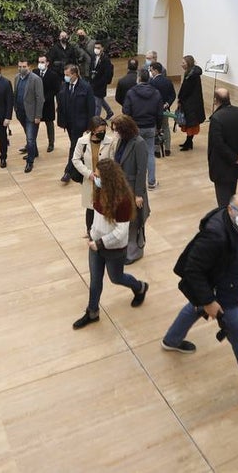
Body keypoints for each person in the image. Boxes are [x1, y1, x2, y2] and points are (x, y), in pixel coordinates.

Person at [162, 194, 238, 402]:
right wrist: (209, 301)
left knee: (195, 307)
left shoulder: (236, 226)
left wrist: (204, 301)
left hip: (222, 283)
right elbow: (193, 270)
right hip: (222, 292)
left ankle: (171, 340)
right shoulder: (215, 235)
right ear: (230, 210)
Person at [72, 159, 150, 329]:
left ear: (108, 178)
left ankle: (140, 287)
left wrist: (99, 243)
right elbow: (98, 217)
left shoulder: (123, 201)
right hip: (96, 244)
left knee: (116, 278)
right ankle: (92, 312)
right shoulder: (100, 191)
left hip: (113, 249)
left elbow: (121, 233)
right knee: (95, 281)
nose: (95, 177)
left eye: (98, 176)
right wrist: (92, 233)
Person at [107, 114, 151, 263]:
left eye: (117, 130)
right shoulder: (121, 141)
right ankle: (124, 248)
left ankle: (134, 252)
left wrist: (139, 194)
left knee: (133, 222)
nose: (115, 133)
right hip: (121, 187)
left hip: (132, 188)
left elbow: (141, 170)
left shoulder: (139, 143)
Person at [207, 87, 238, 208]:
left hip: (222, 164)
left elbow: (218, 143)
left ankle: (226, 222)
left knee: (223, 200)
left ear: (215, 100)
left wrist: (234, 157)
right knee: (231, 193)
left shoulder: (216, 118)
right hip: (236, 163)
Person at [122, 68, 164, 188]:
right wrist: (159, 127)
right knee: (150, 153)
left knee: (132, 154)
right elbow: (159, 113)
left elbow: (126, 111)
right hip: (151, 127)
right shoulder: (156, 93)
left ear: (138, 78)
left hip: (135, 128)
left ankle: (132, 182)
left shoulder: (131, 92)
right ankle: (151, 182)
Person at [73, 116, 115, 233]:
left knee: (105, 206)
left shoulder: (109, 141)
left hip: (105, 181)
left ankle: (105, 229)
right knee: (91, 207)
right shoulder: (82, 142)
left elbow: (112, 160)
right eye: (99, 131)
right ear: (92, 130)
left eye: (104, 130)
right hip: (90, 180)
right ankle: (89, 230)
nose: (102, 133)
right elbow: (75, 159)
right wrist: (88, 174)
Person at [58, 64, 96, 183]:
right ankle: (81, 163)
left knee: (74, 146)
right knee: (76, 146)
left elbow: (91, 108)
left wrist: (90, 126)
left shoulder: (85, 87)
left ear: (75, 74)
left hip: (80, 124)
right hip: (68, 123)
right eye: (65, 75)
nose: (65, 77)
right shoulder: (64, 86)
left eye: (67, 75)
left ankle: (68, 171)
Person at [13, 58, 44, 173]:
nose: (22, 69)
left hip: (31, 114)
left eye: (24, 66)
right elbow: (15, 94)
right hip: (20, 112)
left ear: (29, 67)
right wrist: (15, 108)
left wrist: (38, 116)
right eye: (20, 66)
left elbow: (40, 99)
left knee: (30, 138)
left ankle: (30, 162)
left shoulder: (36, 79)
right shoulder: (17, 78)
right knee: (29, 134)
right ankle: (34, 152)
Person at [176, 55, 206, 151]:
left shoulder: (191, 75)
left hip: (191, 104)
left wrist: (180, 99)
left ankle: (188, 143)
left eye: (183, 63)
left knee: (190, 124)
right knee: (190, 123)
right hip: (192, 102)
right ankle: (188, 142)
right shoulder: (191, 73)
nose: (182, 64)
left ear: (188, 63)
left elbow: (186, 90)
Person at [149, 61, 176, 156]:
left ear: (156, 71)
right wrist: (167, 104)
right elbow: (173, 95)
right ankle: (167, 149)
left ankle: (157, 151)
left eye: (151, 70)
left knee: (156, 129)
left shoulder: (151, 82)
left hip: (154, 111)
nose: (151, 72)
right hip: (165, 110)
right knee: (166, 128)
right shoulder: (168, 81)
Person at [37, 55, 61, 153]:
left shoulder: (53, 75)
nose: (40, 64)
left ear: (47, 63)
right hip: (37, 104)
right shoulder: (35, 72)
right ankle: (30, 143)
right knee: (34, 124)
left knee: (49, 124)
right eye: (39, 62)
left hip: (48, 103)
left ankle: (51, 143)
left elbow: (56, 89)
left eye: (43, 62)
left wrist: (45, 98)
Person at [89, 42, 115, 119]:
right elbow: (91, 68)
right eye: (95, 47)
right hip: (93, 82)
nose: (96, 49)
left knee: (97, 103)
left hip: (101, 84)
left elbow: (107, 74)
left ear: (102, 48)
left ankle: (96, 120)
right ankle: (109, 112)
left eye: (98, 48)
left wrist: (100, 83)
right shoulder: (93, 57)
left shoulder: (106, 59)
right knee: (100, 99)